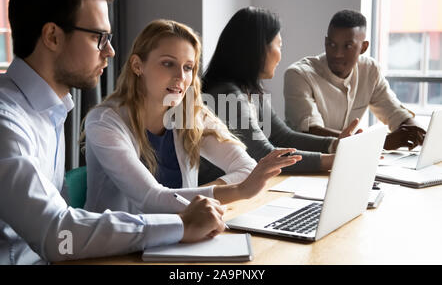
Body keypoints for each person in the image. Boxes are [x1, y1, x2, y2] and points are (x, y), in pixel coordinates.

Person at [0, 0, 226, 265]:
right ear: (52, 36)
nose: (111, 51)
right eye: (99, 38)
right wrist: (181, 225)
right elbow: (56, 232)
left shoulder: (49, 109)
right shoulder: (2, 121)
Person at [84, 19, 300, 215]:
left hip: (178, 236)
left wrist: (199, 199)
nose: (180, 77)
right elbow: (150, 199)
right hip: (120, 248)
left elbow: (246, 168)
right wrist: (238, 191)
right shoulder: (105, 122)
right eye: (168, 63)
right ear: (137, 65)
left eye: (188, 67)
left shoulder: (189, 113)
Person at [200, 7, 359, 184]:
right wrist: (334, 159)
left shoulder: (249, 89)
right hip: (214, 195)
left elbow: (282, 136)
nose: (281, 55)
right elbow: (262, 154)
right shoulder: (227, 94)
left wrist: (334, 145)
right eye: (279, 46)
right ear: (259, 49)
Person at [284, 9, 426, 151]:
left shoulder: (370, 70)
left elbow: (396, 114)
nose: (337, 54)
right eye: (332, 45)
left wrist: (416, 132)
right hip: (308, 163)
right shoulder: (299, 75)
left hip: (350, 160)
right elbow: (310, 132)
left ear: (363, 47)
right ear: (325, 42)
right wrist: (379, 143)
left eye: (347, 46)